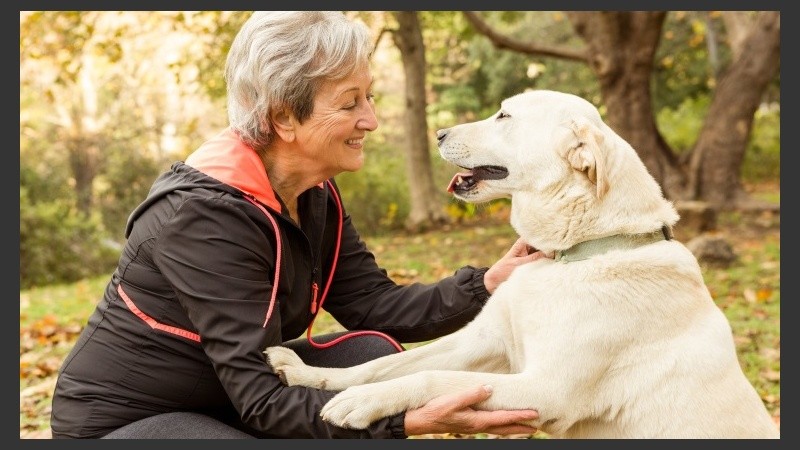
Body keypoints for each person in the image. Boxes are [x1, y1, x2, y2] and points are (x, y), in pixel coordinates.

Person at [50, 11, 542, 439]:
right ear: (284, 117)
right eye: (350, 103)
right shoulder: (201, 219)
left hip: (229, 399)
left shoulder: (312, 191)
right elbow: (263, 402)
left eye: (369, 97)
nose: (371, 119)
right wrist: (405, 420)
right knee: (369, 401)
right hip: (128, 422)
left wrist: (488, 283)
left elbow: (374, 306)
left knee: (370, 354)